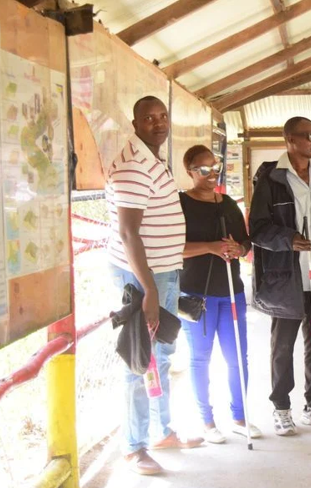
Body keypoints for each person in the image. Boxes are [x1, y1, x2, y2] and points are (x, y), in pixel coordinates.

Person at [106, 96, 202, 475]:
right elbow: (128, 233)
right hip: (142, 276)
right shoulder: (133, 166)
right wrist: (148, 289)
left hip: (161, 272)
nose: (159, 123)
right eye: (149, 118)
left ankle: (162, 431)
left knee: (160, 356)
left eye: (163, 116)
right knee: (139, 359)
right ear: (135, 124)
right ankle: (134, 446)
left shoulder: (153, 159)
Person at [249, 116, 311, 435]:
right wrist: (288, 239)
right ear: (290, 139)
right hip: (286, 277)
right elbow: (257, 229)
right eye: (310, 136)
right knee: (283, 346)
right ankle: (281, 407)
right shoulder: (270, 178)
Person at [178, 145, 261, 443]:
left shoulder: (227, 203)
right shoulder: (180, 204)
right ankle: (207, 422)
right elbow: (174, 247)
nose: (212, 173)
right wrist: (210, 247)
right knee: (200, 358)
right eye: (204, 169)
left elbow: (246, 242)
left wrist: (239, 248)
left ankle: (239, 417)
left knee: (238, 356)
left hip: (231, 292)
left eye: (216, 167)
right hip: (195, 294)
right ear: (189, 171)